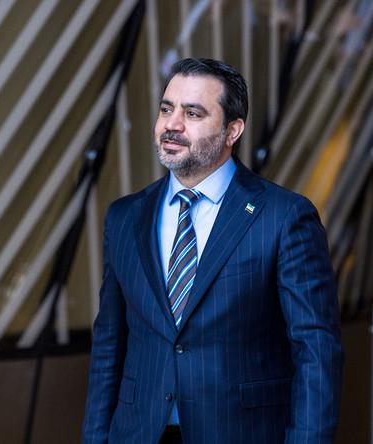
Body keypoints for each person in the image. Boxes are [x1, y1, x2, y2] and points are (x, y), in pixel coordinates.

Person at [81, 58, 344, 444]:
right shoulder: (124, 217)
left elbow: (316, 352)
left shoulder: (284, 217)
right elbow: (109, 343)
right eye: (167, 109)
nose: (172, 124)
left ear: (232, 130)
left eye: (193, 113)